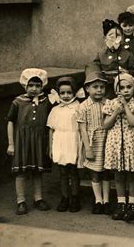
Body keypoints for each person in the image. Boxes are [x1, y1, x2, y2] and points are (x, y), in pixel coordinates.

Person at [6, 68, 52, 215]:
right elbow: (10, 122)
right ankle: (21, 201)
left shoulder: (46, 101)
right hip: (22, 141)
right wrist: (11, 143)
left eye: (37, 86)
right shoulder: (18, 102)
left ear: (42, 86)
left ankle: (38, 198)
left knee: (37, 171)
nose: (34, 89)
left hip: (39, 140)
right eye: (31, 85)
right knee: (21, 172)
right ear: (25, 85)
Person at [103, 73, 134, 221]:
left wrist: (126, 106)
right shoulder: (111, 103)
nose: (125, 90)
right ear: (117, 89)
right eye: (122, 88)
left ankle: (132, 204)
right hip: (116, 141)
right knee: (118, 175)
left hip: (132, 140)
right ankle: (121, 203)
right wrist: (116, 111)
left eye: (129, 87)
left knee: (131, 175)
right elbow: (105, 125)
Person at [47, 77, 84, 213]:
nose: (66, 96)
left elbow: (81, 127)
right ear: (59, 93)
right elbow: (51, 128)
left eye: (69, 92)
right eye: (62, 93)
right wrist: (50, 147)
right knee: (62, 171)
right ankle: (64, 197)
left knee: (73, 171)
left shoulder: (78, 107)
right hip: (59, 140)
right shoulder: (56, 109)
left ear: (74, 92)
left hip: (73, 139)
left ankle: (75, 198)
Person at [77, 70, 111, 215]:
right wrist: (88, 148)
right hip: (93, 141)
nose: (99, 90)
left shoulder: (108, 103)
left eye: (101, 87)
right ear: (87, 89)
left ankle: (107, 200)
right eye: (95, 87)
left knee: (107, 172)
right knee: (95, 172)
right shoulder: (83, 106)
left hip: (108, 140)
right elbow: (82, 129)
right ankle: (98, 200)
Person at [87, 19, 134, 98]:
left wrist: (128, 72)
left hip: (123, 88)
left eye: (118, 35)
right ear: (105, 38)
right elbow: (93, 68)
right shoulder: (101, 54)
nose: (115, 38)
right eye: (111, 36)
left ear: (122, 38)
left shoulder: (128, 54)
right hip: (106, 87)